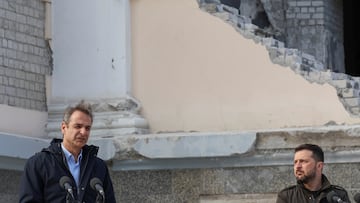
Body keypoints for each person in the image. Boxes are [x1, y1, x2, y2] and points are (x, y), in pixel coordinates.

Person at [19, 100, 116, 203]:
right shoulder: (38, 163)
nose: (83, 132)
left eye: (87, 128)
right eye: (78, 126)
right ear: (64, 127)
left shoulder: (99, 166)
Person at [276, 143, 350, 203]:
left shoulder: (338, 195)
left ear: (319, 166)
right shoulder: (287, 196)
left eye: (303, 161)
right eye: (295, 162)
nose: (297, 166)